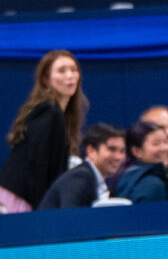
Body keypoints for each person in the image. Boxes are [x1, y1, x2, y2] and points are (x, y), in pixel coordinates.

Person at [0, 49, 82, 213]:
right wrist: (43, 211)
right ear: (46, 79)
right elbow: (38, 163)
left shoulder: (59, 113)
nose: (69, 76)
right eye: (62, 70)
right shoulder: (49, 111)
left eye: (73, 70)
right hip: (19, 197)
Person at [37, 122, 125, 209]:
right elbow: (72, 219)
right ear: (91, 151)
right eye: (112, 149)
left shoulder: (92, 178)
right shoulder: (80, 178)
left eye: (122, 151)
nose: (118, 157)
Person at [111, 118, 168, 202]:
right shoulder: (152, 183)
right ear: (137, 151)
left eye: (166, 142)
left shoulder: (127, 174)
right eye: (156, 144)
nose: (164, 148)